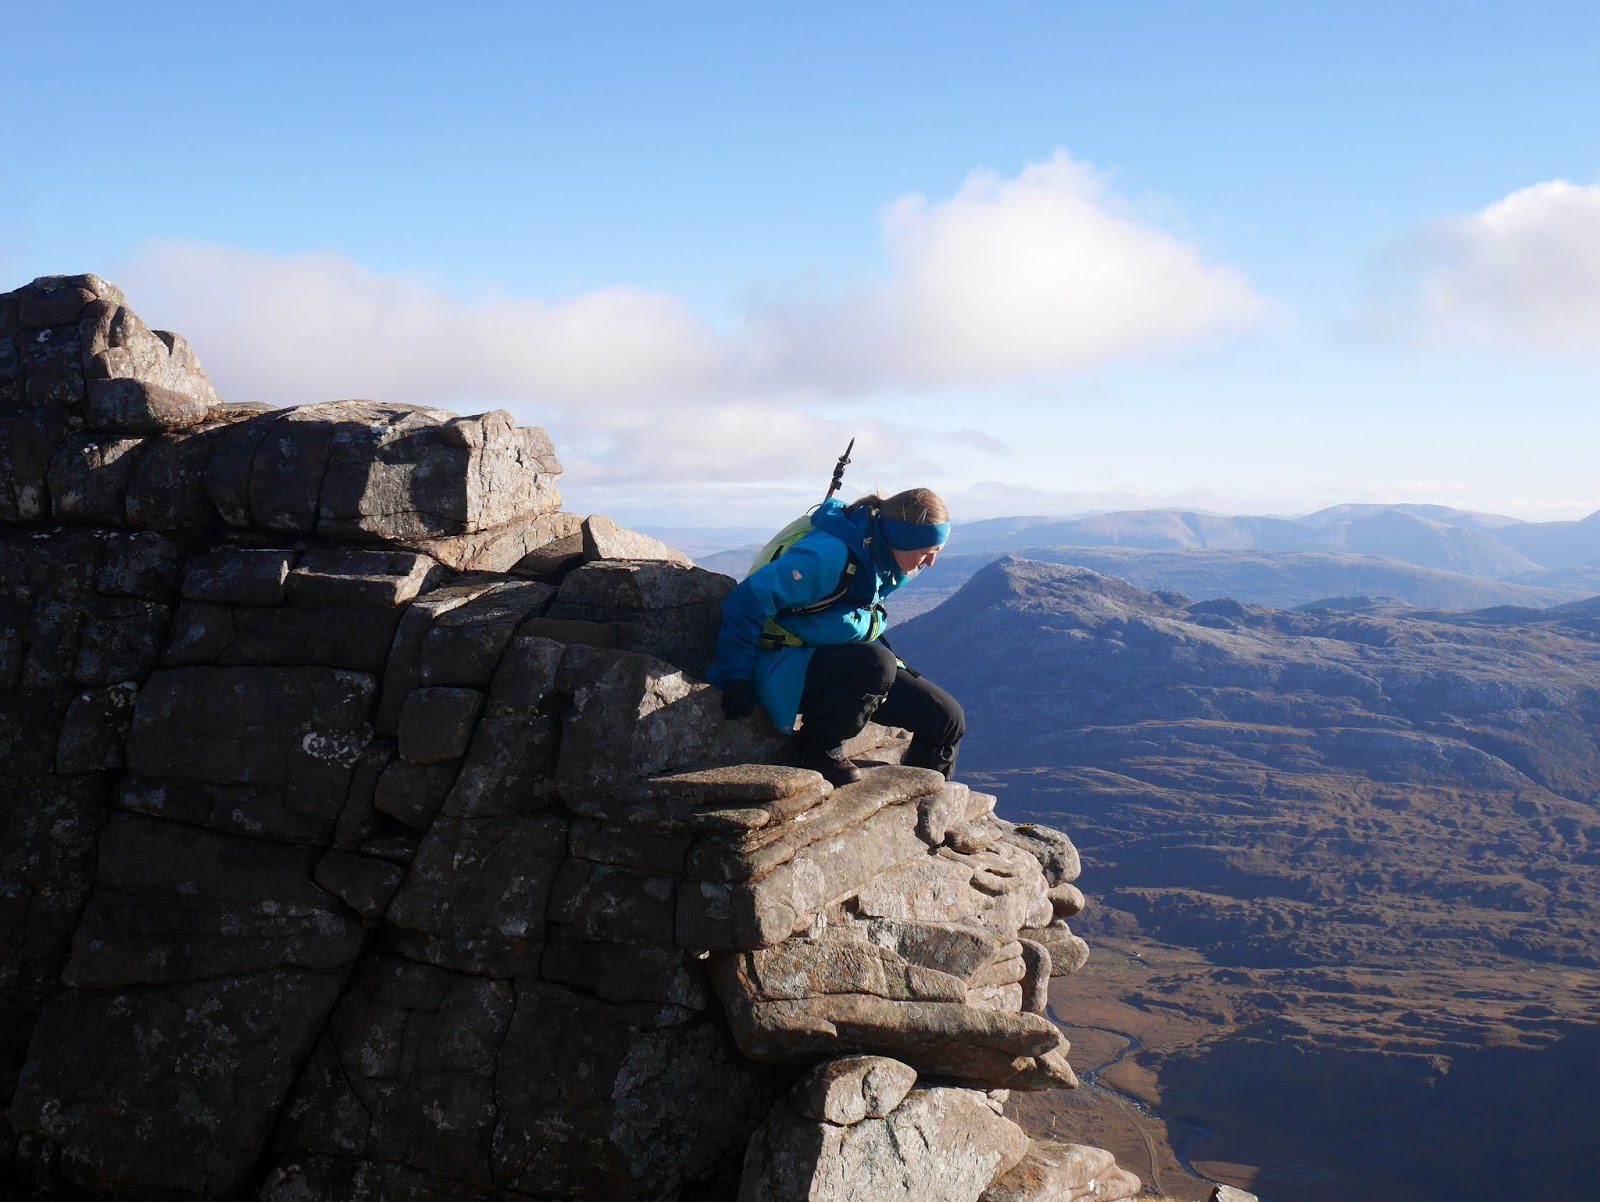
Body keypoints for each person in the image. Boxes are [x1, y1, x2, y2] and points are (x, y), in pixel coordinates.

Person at [706, 487, 964, 786]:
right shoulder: (827, 557)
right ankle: (816, 749)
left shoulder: (880, 553)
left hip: (829, 659)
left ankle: (928, 806)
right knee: (877, 663)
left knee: (945, 718)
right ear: (900, 539)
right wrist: (736, 675)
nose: (930, 562)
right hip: (778, 660)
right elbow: (747, 601)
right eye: (926, 552)